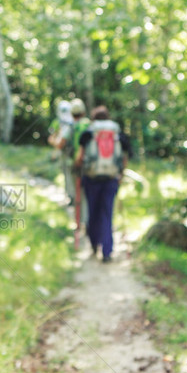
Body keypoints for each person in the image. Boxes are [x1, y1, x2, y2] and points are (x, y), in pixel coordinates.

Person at [74, 105, 131, 262]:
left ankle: (94, 244)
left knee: (93, 211)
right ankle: (107, 250)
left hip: (91, 178)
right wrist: (121, 174)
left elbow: (80, 157)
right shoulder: (118, 134)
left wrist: (78, 168)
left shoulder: (88, 133)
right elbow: (124, 158)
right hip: (111, 178)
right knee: (107, 213)